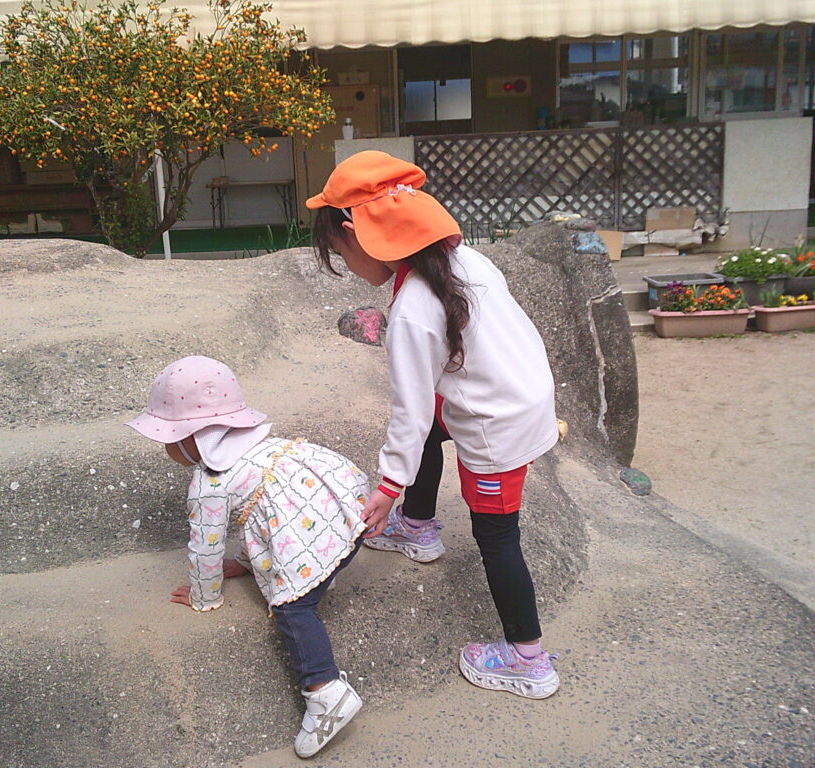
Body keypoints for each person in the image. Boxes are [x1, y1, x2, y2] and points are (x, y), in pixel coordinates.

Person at [307, 150, 561, 699]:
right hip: (515, 394)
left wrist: (386, 489)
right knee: (435, 427)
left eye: (341, 255)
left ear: (356, 234)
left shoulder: (412, 313)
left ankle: (527, 658)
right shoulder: (464, 260)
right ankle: (418, 526)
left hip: (499, 425)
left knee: (497, 535)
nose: (347, 267)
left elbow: (410, 411)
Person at [126, 355, 367, 757]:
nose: (165, 448)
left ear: (193, 438)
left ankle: (326, 692)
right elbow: (266, 515)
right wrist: (243, 563)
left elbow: (205, 546)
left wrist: (204, 595)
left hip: (314, 534)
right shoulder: (262, 447)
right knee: (298, 554)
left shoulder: (209, 482)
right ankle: (322, 575)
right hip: (350, 517)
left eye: (169, 438)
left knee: (292, 608)